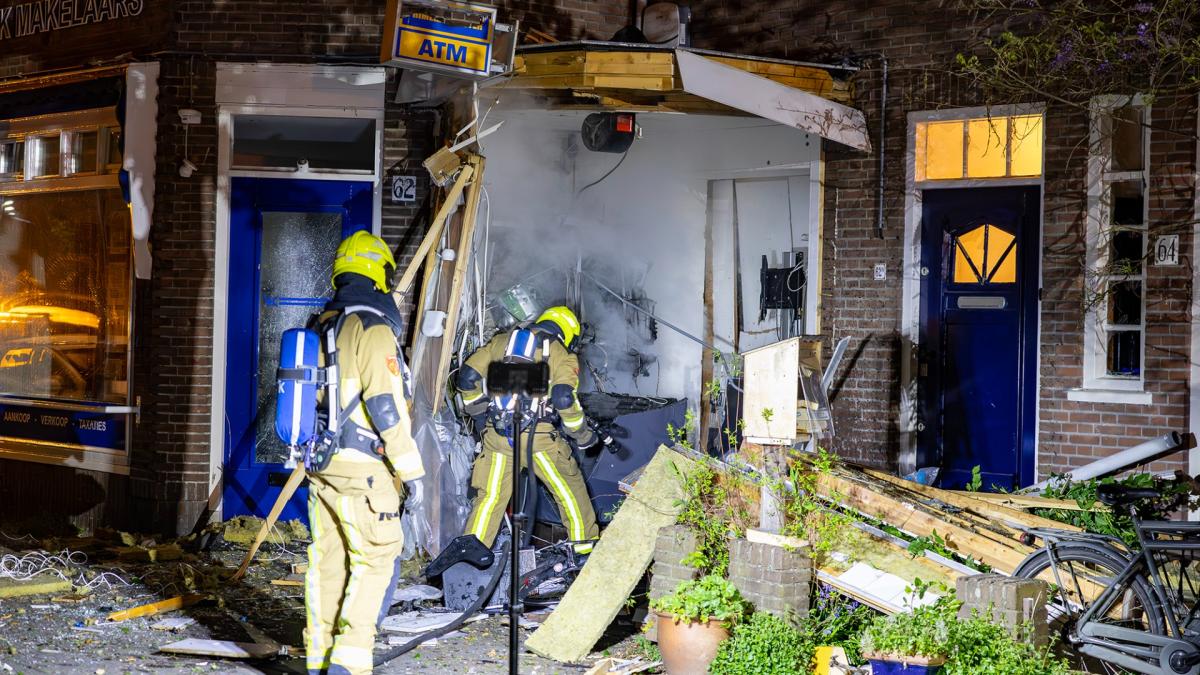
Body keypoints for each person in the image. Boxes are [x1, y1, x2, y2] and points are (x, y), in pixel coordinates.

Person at [304, 231, 425, 675]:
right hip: (365, 470)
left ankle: (318, 660)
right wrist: (411, 470)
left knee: (328, 562)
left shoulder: (323, 323)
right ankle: (350, 663)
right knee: (375, 559)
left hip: (323, 465)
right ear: (379, 274)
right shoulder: (372, 328)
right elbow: (386, 405)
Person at [456, 306, 606, 555]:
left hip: (498, 438)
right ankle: (583, 551)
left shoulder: (501, 342)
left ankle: (469, 559)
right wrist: (583, 435)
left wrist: (480, 414)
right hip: (540, 442)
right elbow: (564, 399)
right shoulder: (562, 355)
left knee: (490, 500)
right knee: (569, 492)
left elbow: (466, 378)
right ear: (569, 334)